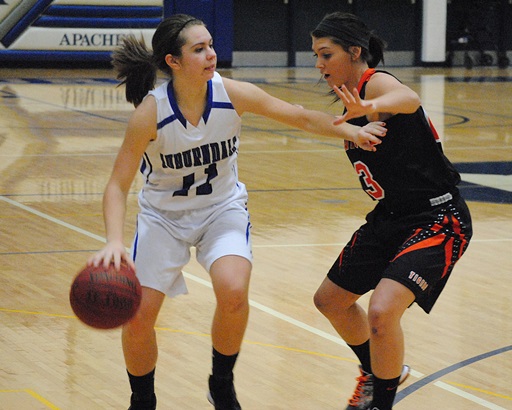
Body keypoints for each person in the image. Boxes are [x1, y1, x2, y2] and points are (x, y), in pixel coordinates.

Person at [87, 14, 386, 410]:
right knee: (139, 317)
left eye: (210, 45)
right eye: (199, 49)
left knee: (232, 290)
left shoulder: (232, 93)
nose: (211, 54)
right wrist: (113, 241)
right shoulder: (150, 113)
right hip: (164, 218)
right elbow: (116, 185)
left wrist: (351, 130)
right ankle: (142, 399)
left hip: (221, 210)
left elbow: (298, 115)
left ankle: (221, 383)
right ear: (173, 62)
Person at [311, 12, 473, 410]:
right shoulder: (351, 100)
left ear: (355, 52)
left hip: (439, 217)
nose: (319, 64)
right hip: (391, 216)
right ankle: (378, 371)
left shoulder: (374, 83)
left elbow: (409, 98)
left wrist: (370, 104)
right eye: (316, 55)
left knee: (382, 312)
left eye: (326, 54)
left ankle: (381, 401)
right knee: (330, 300)